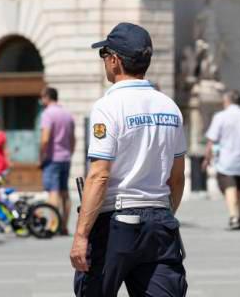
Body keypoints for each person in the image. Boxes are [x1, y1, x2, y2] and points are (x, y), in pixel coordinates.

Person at [70, 22, 187, 297]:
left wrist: (81, 235)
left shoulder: (108, 107)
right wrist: (163, 213)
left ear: (114, 60)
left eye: (104, 56)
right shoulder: (169, 107)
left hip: (117, 221)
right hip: (160, 219)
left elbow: (99, 175)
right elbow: (177, 177)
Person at [202, 89, 240, 230]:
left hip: (226, 161)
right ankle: (239, 217)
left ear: (227, 101)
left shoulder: (220, 117)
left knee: (229, 188)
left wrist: (207, 158)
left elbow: (211, 140)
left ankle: (233, 217)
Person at [39, 86, 75, 236]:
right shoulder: (67, 114)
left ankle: (53, 225)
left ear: (47, 97)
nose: (41, 100)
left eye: (42, 97)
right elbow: (73, 139)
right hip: (65, 158)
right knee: (64, 193)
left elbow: (45, 138)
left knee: (53, 193)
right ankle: (64, 226)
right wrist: (69, 153)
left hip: (52, 158)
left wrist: (41, 156)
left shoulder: (48, 114)